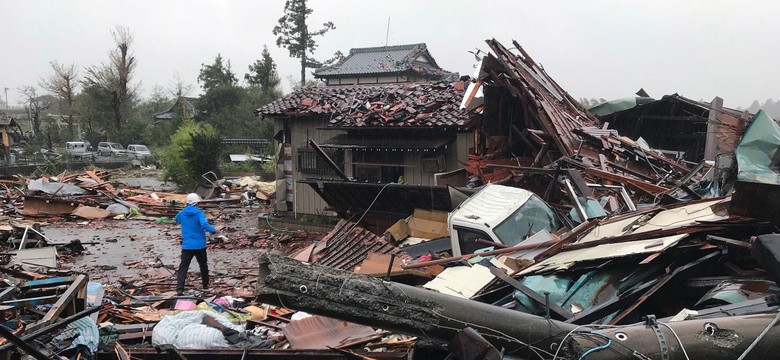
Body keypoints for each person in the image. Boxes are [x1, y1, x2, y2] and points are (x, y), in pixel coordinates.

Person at [175, 193, 217, 295]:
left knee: (183, 267)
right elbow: (203, 224)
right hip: (199, 245)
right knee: (203, 265)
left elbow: (176, 220)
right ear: (196, 203)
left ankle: (180, 289)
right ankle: (205, 284)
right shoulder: (199, 213)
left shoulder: (181, 213)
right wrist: (213, 230)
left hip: (187, 246)